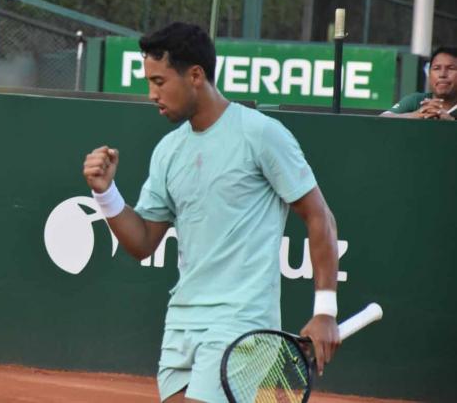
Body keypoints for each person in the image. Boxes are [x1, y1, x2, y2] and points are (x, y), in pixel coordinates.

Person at [82, 22, 341, 403]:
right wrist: (106, 194)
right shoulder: (168, 151)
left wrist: (325, 311)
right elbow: (142, 243)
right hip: (182, 321)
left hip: (241, 321)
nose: (151, 93)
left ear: (196, 76)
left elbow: (320, 217)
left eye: (159, 81)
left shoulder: (261, 134)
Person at [381, 46, 457, 121]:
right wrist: (416, 114)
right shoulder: (417, 100)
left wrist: (451, 122)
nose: (442, 74)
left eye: (451, 68)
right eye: (436, 68)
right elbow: (382, 118)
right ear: (429, 74)